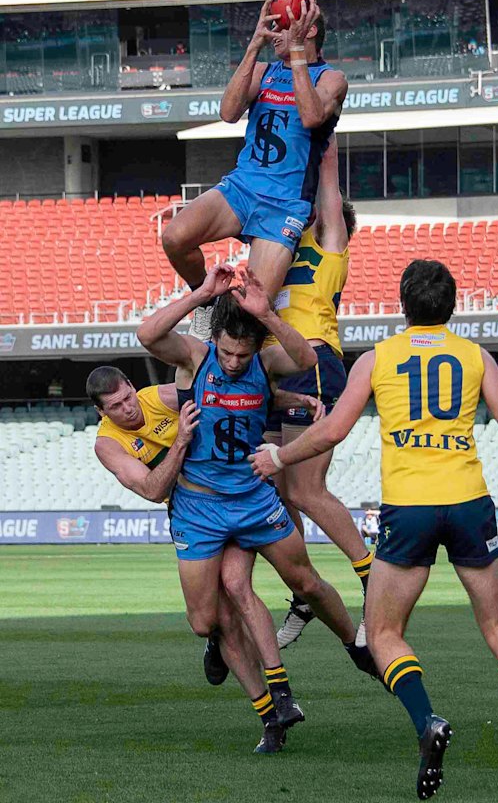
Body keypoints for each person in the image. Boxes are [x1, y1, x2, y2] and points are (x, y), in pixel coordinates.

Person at [251, 259, 498, 799]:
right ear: (452, 305)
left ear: (402, 304)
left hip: (409, 509)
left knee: (386, 634)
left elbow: (331, 431)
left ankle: (428, 723)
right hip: (469, 502)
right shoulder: (475, 356)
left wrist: (281, 456)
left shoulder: (377, 360)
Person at [136, 264, 379, 742]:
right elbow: (148, 333)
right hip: (200, 507)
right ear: (217, 342)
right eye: (227, 351)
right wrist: (203, 292)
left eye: (241, 354)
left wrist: (266, 314)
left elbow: (307, 357)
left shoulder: (263, 364)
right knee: (206, 618)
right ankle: (223, 648)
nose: (232, 362)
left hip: (251, 498)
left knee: (304, 580)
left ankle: (356, 646)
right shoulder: (195, 356)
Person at [89, 365, 324, 755]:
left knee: (237, 587)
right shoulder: (107, 444)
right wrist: (180, 441)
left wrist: (298, 399)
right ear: (102, 412)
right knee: (206, 622)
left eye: (128, 396)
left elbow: (238, 394)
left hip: (230, 498)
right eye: (115, 406)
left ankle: (277, 707)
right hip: (188, 514)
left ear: (133, 386)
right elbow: (151, 489)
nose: (128, 408)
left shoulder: (163, 397)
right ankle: (222, 649)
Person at [161, 0, 348, 338]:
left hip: (285, 205)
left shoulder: (332, 79)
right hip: (243, 188)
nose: (275, 34)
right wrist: (254, 44)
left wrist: (295, 57)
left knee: (248, 315)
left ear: (310, 31)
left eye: (282, 27)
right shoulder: (263, 71)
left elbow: (310, 116)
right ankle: (203, 302)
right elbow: (228, 112)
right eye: (272, 27)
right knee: (175, 237)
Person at [263, 134, 373, 649]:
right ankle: (304, 595)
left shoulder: (330, 250)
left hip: (313, 359)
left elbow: (327, 185)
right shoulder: (280, 248)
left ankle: (373, 579)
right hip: (274, 373)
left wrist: (319, 136)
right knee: (284, 491)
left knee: (305, 489)